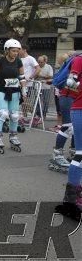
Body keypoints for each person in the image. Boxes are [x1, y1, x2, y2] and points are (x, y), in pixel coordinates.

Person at [55, 53, 82, 221]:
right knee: (80, 154)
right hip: (79, 109)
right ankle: (71, 200)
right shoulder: (79, 60)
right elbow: (71, 83)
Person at [0, 39, 27, 154]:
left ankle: (13, 137)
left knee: (15, 115)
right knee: (3, 113)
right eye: (13, 51)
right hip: (1, 89)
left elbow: (22, 77)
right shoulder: (0, 60)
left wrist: (24, 90)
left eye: (17, 51)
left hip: (14, 90)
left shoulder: (18, 61)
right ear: (7, 50)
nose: (15, 53)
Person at [49, 53, 79, 173]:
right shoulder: (79, 60)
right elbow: (71, 82)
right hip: (68, 97)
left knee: (78, 126)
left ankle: (74, 152)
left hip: (77, 98)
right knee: (68, 127)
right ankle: (57, 155)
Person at [34, 55, 54, 122]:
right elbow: (34, 76)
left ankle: (43, 115)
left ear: (45, 61)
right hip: (37, 87)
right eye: (38, 61)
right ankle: (38, 115)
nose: (39, 63)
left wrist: (40, 76)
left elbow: (50, 76)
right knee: (37, 102)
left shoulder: (49, 67)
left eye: (41, 62)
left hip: (46, 87)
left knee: (46, 102)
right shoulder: (36, 67)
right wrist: (37, 75)